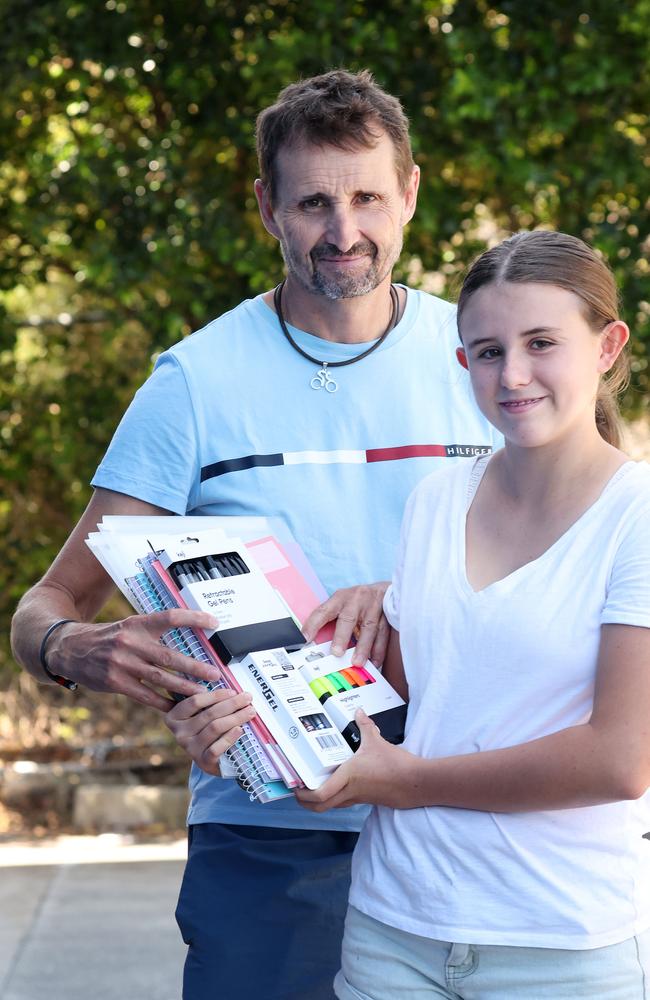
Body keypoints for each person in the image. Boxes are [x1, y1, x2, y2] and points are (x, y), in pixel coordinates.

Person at [10, 70, 500, 1000]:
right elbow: (47, 606)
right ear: (266, 206)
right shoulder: (194, 382)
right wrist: (83, 649)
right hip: (272, 837)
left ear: (410, 195)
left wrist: (407, 600)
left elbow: (584, 562)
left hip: (466, 818)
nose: (343, 230)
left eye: (366, 197)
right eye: (313, 201)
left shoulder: (487, 359)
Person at [297, 230, 650, 999]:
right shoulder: (435, 501)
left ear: (607, 346)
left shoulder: (638, 519)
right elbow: (407, 702)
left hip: (558, 945)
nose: (512, 374)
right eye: (487, 351)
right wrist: (262, 715)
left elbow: (620, 760)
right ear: (463, 363)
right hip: (394, 927)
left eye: (542, 342)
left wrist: (407, 782)